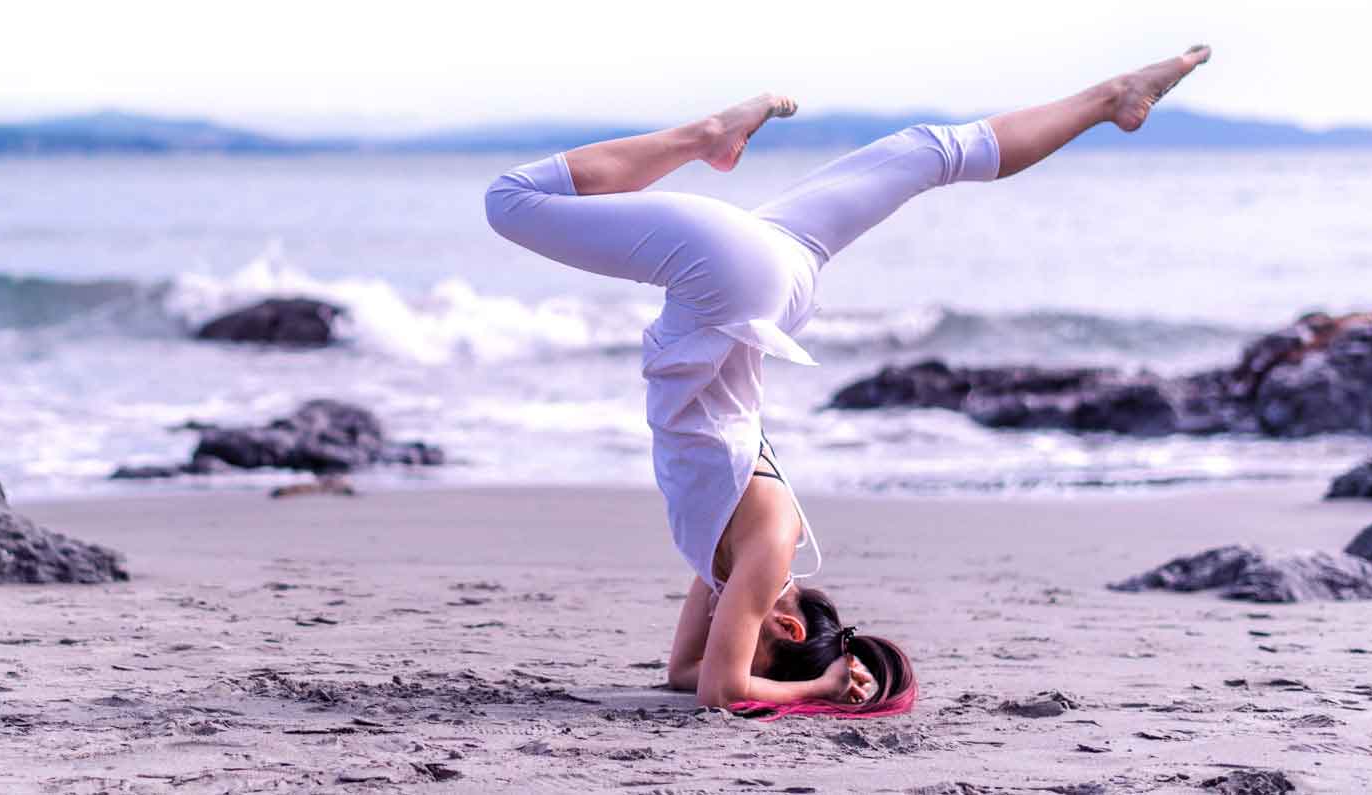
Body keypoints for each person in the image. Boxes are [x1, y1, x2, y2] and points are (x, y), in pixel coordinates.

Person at [484, 46, 1212, 714]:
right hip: (737, 278)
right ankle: (705, 137)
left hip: (775, 274)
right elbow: (718, 690)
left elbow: (688, 670)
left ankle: (1110, 97)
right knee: (510, 199)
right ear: (787, 622)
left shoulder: (730, 561)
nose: (726, 630)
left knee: (930, 152)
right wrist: (823, 685)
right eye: (749, 636)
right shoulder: (768, 546)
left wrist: (776, 666)